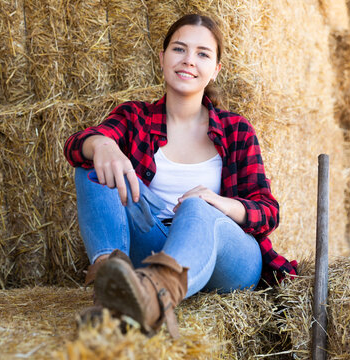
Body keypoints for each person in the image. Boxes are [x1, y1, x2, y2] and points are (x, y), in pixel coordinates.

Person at [64, 14, 297, 338]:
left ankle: (153, 295)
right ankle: (112, 287)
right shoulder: (135, 117)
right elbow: (75, 146)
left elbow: (268, 211)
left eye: (202, 53)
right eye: (179, 49)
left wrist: (217, 203)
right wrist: (103, 144)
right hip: (156, 243)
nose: (189, 60)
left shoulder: (236, 130)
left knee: (197, 207)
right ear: (162, 58)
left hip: (229, 259)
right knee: (93, 164)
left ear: (216, 69)